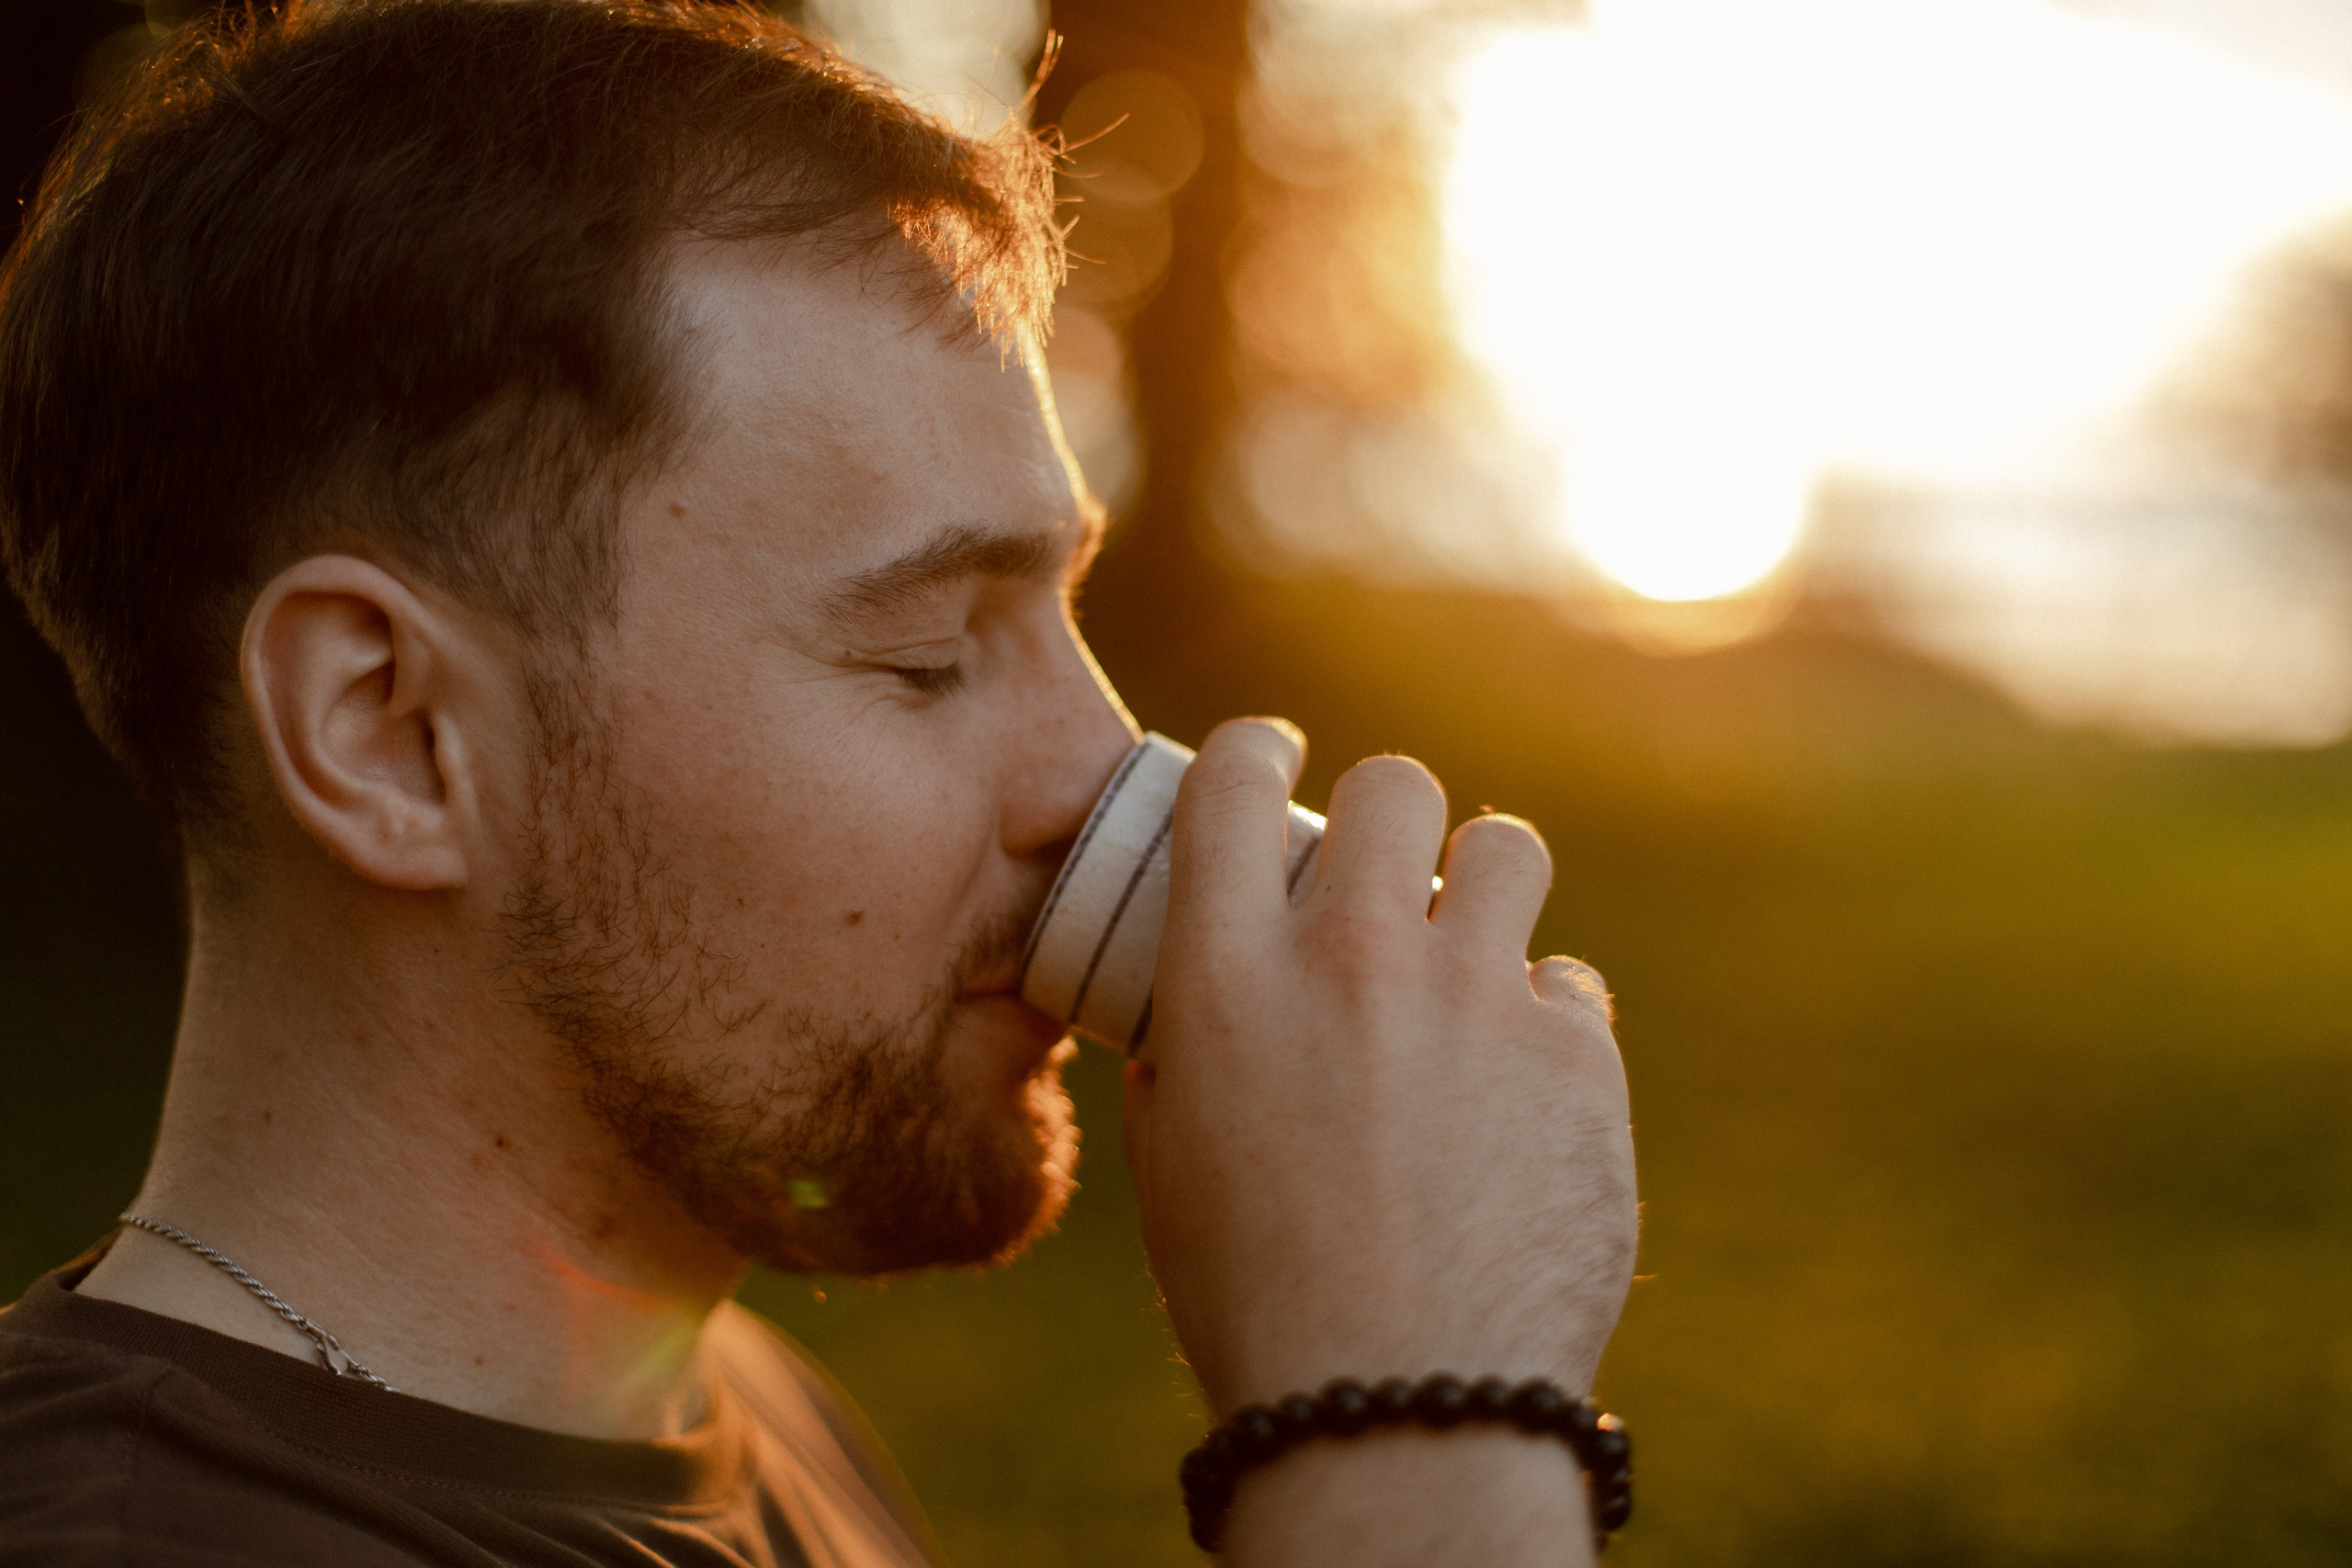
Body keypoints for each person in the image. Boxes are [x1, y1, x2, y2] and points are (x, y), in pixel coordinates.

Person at [0, 2, 1639, 1562]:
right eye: (925, 653)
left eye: (1061, 615)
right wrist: (1406, 1408)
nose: (1107, 770)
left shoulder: (730, 1401)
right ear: (390, 732)